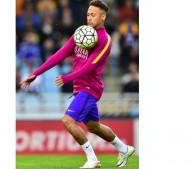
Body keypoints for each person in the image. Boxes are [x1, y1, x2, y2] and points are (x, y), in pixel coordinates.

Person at [20, 0, 134, 168]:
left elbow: (91, 66)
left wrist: (68, 77)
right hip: (80, 87)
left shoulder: (104, 40)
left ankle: (92, 159)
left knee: (67, 121)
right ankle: (123, 148)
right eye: (88, 14)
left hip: (90, 88)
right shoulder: (81, 33)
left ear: (103, 17)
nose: (89, 18)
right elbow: (59, 55)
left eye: (93, 15)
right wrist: (35, 74)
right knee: (94, 127)